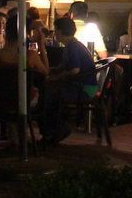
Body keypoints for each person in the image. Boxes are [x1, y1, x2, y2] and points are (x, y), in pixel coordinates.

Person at [38, 17, 98, 145]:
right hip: (85, 86)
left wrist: (56, 77)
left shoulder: (72, 46)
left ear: (60, 31)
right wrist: (53, 70)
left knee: (50, 95)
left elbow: (75, 70)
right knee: (49, 91)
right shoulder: (72, 44)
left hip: (85, 89)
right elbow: (66, 66)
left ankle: (56, 130)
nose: (55, 33)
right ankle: (52, 131)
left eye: (56, 30)